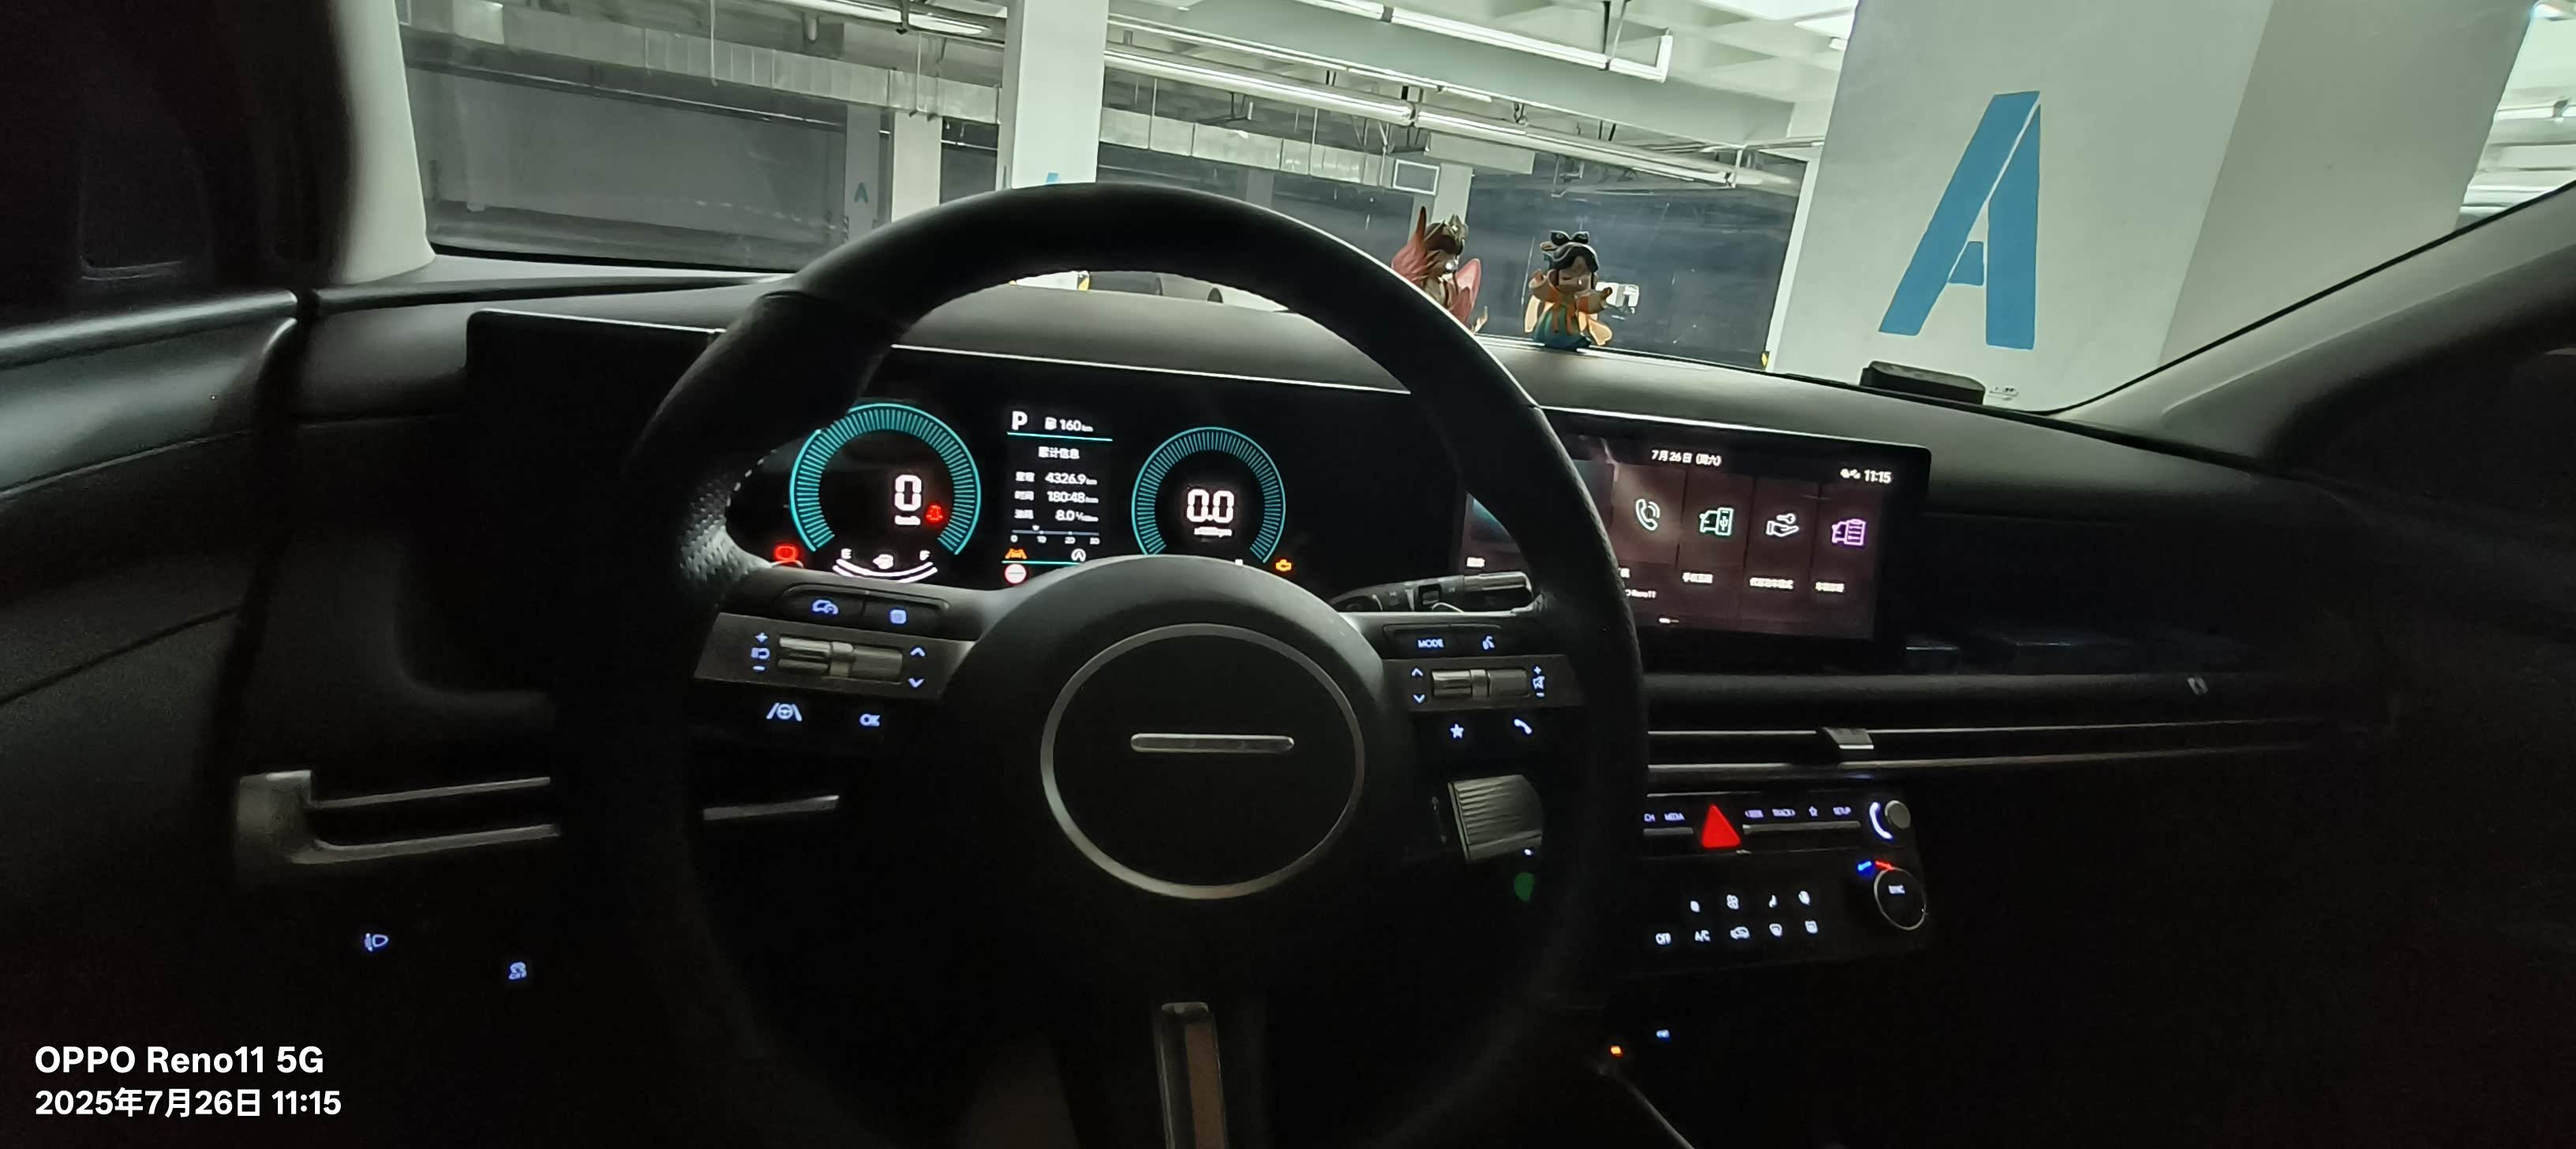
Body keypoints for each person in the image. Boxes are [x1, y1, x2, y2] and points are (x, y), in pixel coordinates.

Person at [1527, 230, 1612, 350]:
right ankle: (1563, 339)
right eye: (1570, 273)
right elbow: (1546, 293)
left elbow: (1586, 304)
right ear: (1554, 276)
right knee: (1559, 327)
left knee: (1570, 327)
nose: (1577, 279)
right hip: (1556, 319)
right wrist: (1540, 282)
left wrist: (1600, 298)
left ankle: (1569, 339)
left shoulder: (1576, 301)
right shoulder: (1557, 296)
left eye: (1584, 274)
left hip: (1571, 319)